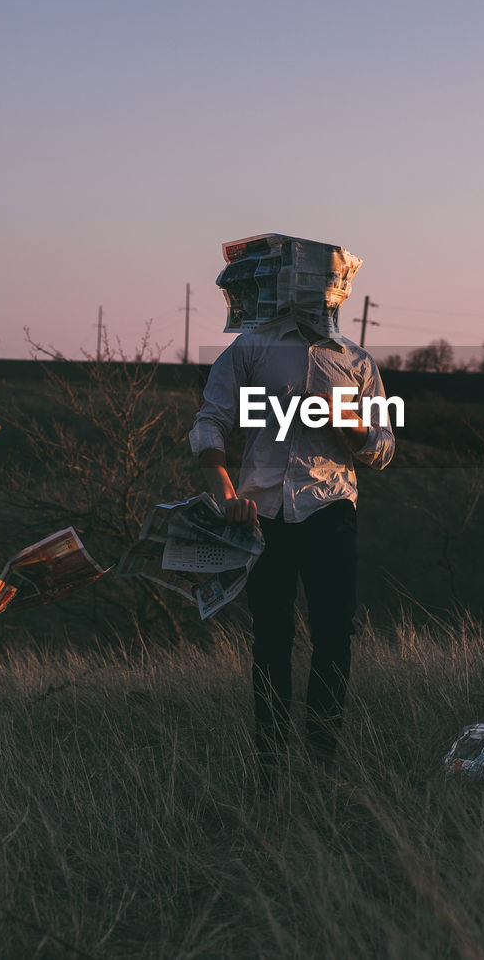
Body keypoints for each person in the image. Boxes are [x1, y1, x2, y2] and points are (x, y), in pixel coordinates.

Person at [189, 234, 395, 780]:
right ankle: (271, 769)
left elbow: (384, 448)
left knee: (334, 634)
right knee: (271, 639)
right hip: (263, 513)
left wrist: (345, 422)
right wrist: (225, 494)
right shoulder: (251, 349)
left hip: (330, 509)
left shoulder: (355, 361)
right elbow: (211, 421)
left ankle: (323, 761)